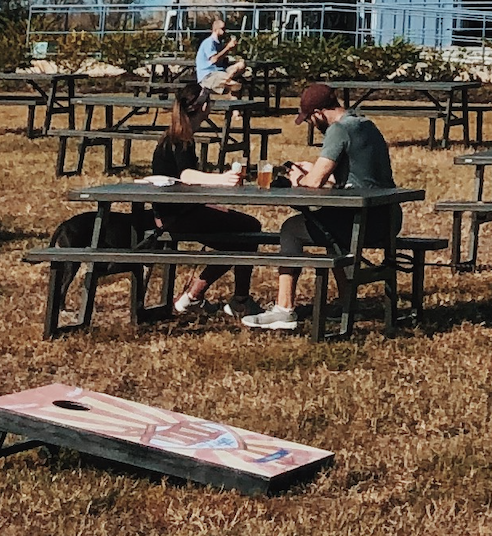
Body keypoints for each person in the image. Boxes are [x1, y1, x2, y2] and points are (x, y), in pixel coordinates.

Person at [243, 83, 400, 332]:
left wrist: (297, 179)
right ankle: (348, 301)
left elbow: (315, 183)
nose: (312, 125)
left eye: (309, 119)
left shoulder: (338, 130)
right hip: (387, 216)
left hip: (363, 220)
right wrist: (315, 168)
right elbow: (355, 176)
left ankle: (284, 310)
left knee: (292, 229)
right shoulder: (365, 124)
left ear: (318, 113)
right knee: (325, 226)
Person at [146, 82, 264, 317]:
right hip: (176, 217)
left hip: (176, 212)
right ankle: (231, 299)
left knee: (240, 236)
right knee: (249, 229)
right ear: (204, 107)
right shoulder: (181, 139)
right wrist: (222, 179)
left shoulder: (176, 135)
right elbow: (186, 175)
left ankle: (195, 297)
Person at [194, 17, 246, 94]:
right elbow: (214, 60)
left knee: (241, 65)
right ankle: (227, 83)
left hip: (221, 71)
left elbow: (222, 58)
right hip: (208, 74)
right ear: (216, 30)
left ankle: (226, 82)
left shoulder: (219, 43)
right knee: (237, 85)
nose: (225, 31)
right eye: (222, 29)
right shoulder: (209, 42)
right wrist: (228, 48)